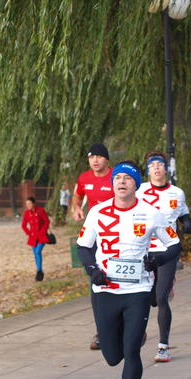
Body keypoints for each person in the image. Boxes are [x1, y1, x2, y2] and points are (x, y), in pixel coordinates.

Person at [77, 161, 181, 379]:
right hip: (105, 290)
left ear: (136, 184)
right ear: (112, 183)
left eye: (127, 178)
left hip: (138, 290)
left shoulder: (151, 213)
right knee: (112, 357)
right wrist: (92, 270)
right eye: (117, 178)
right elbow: (84, 247)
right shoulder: (97, 212)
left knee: (131, 351)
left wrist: (155, 260)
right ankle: (131, 336)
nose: (121, 181)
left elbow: (174, 244)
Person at [136, 151, 191, 363]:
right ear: (148, 170)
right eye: (152, 165)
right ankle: (138, 330)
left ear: (166, 168)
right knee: (147, 299)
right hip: (144, 249)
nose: (157, 168)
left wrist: (187, 222)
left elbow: (183, 212)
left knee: (161, 298)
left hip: (168, 249)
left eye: (160, 164)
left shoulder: (177, 193)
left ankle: (163, 346)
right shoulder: (139, 190)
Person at [72, 143, 114, 349]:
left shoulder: (117, 177)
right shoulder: (84, 178)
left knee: (121, 281)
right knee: (96, 282)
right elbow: (77, 195)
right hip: (94, 235)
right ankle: (101, 332)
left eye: (99, 156)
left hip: (117, 235)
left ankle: (132, 325)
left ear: (107, 159)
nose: (95, 160)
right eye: (91, 157)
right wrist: (77, 208)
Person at [21, 197, 50, 281]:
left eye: (29, 204)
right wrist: (28, 233)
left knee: (38, 252)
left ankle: (39, 271)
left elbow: (47, 221)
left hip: (41, 236)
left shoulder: (40, 210)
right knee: (36, 254)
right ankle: (39, 271)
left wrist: (43, 231)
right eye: (26, 204)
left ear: (34, 203)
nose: (28, 205)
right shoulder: (27, 213)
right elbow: (23, 225)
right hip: (33, 237)